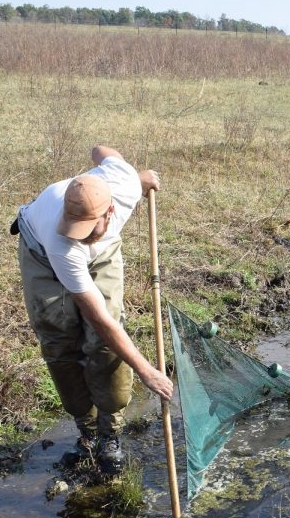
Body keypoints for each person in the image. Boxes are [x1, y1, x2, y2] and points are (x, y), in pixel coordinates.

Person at [15, 145, 173, 476]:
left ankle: (110, 434)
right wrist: (147, 370)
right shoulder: (63, 243)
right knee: (60, 339)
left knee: (104, 344)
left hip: (105, 251)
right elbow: (97, 318)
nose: (79, 235)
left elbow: (100, 150)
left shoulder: (124, 182)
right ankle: (86, 432)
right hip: (41, 252)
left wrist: (139, 179)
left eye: (87, 227)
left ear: (110, 212)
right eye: (74, 226)